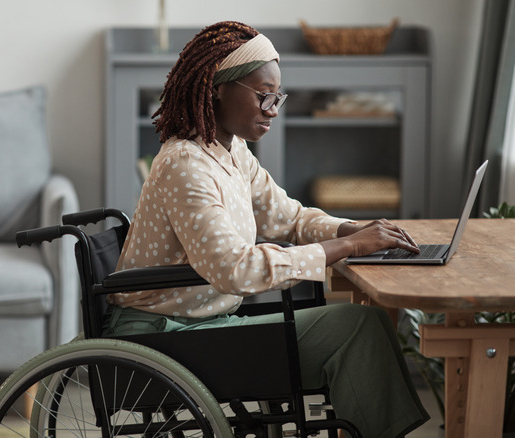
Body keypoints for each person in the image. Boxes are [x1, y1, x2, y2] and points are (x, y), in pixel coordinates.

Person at [102, 21, 430, 437]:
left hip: (206, 324)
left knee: (363, 324)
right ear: (217, 87)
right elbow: (234, 270)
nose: (274, 108)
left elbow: (288, 217)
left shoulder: (232, 150)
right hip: (166, 335)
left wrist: (355, 229)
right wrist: (346, 247)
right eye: (264, 96)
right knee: (356, 328)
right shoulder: (185, 164)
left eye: (278, 97)